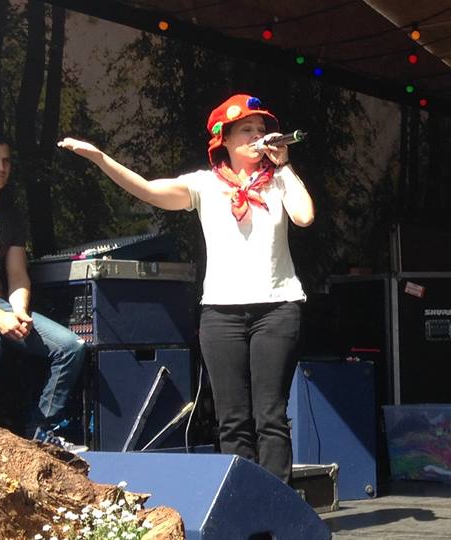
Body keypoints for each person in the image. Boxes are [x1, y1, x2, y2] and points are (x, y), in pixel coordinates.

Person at [58, 94, 315, 483]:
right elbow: (148, 190)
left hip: (277, 307)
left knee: (271, 415)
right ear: (224, 140)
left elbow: (305, 216)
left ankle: (276, 503)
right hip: (221, 313)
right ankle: (242, 502)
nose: (257, 136)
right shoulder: (204, 185)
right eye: (246, 129)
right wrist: (100, 158)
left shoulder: (279, 180)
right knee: (232, 419)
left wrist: (285, 166)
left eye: (261, 129)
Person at [0, 129, 87, 451]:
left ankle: (40, 431)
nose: (1, 167)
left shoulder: (10, 216)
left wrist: (19, 312)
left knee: (70, 347)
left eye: (6, 161)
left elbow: (17, 275)